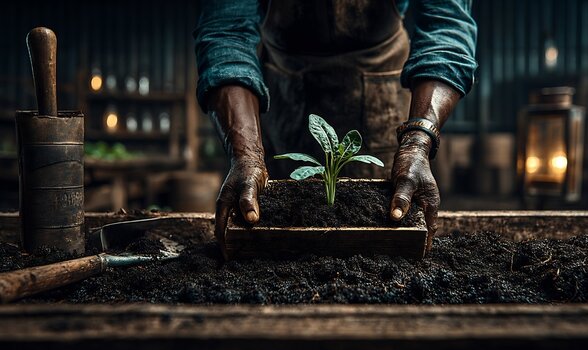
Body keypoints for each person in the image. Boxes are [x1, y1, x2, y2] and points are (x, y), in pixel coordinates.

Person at [194, 0, 477, 247]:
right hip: (282, 93)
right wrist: (246, 155)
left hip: (383, 87)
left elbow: (447, 28)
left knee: (387, 224)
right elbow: (225, 32)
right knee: (271, 223)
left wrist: (418, 140)